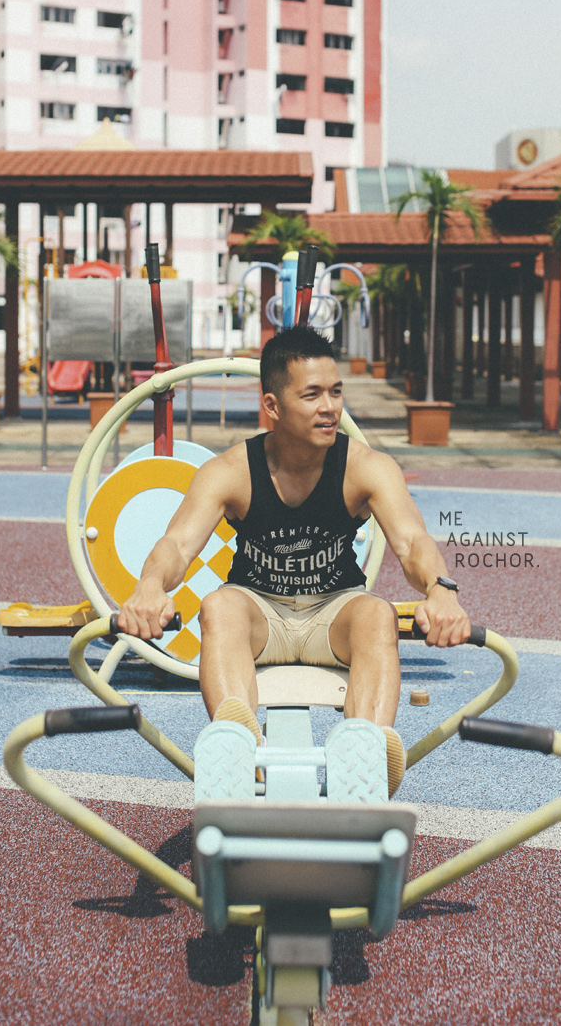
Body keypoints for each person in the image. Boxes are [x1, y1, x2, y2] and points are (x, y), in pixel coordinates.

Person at [118, 326, 471, 796]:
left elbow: (412, 542)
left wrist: (440, 589)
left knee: (376, 614)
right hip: (259, 613)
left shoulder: (367, 467)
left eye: (336, 392)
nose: (330, 407)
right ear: (273, 406)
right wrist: (148, 586)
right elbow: (177, 545)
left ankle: (362, 760)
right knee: (219, 606)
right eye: (312, 395)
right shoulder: (230, 471)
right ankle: (239, 753)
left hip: (333, 613)